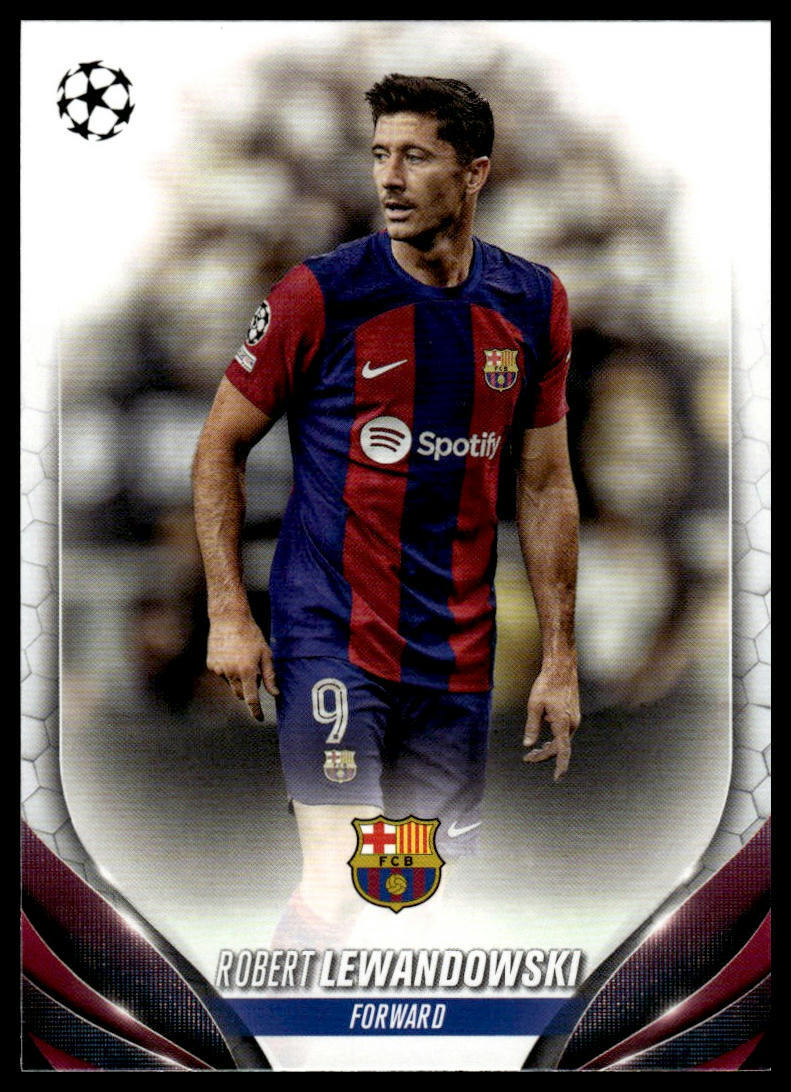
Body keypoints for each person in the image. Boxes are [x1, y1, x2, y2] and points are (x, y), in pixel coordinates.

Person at [192, 74, 581, 947]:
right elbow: (218, 446)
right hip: (333, 633)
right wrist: (228, 611)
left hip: (456, 649)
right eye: (378, 155)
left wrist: (559, 657)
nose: (390, 179)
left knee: (417, 894)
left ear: (474, 173)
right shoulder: (321, 294)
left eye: (415, 156)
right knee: (342, 879)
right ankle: (263, 1025)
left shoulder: (533, 302)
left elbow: (545, 482)